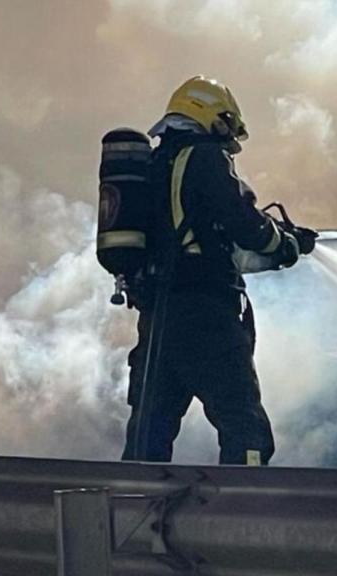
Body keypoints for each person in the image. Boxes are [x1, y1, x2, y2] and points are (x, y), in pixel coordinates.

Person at [121, 76, 312, 465]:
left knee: (148, 435)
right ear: (206, 113)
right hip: (205, 317)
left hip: (157, 319)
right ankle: (243, 517)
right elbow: (243, 224)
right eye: (225, 120)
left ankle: (130, 512)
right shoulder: (203, 157)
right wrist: (285, 243)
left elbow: (204, 238)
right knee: (246, 431)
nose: (228, 133)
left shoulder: (155, 164)